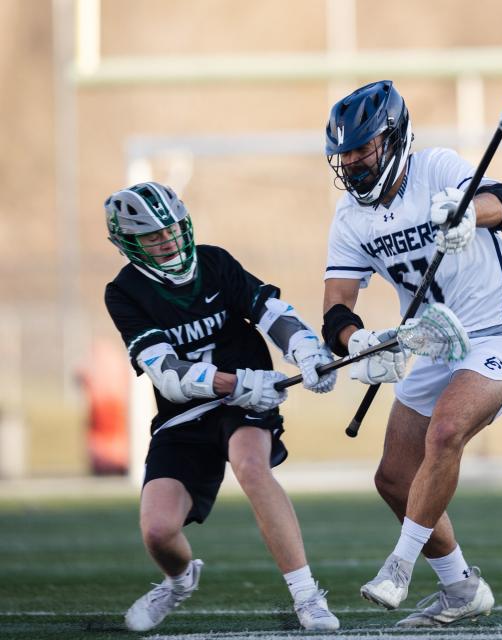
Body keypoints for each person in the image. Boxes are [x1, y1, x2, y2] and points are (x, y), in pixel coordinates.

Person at [320, 80, 502, 627]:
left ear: (393, 138)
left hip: (501, 332)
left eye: (361, 149)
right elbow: (335, 310)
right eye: (344, 153)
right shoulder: (350, 219)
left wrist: (469, 214)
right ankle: (460, 589)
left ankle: (399, 567)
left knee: (445, 432)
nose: (351, 162)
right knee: (393, 478)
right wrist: (362, 343)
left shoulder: (437, 169)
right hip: (435, 343)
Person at [103, 182, 340, 632]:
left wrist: (306, 349)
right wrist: (234, 383)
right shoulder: (125, 292)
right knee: (157, 531)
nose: (168, 241)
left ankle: (307, 597)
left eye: (172, 229)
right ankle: (178, 582)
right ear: (129, 246)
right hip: (188, 412)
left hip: (246, 405)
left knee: (251, 466)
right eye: (153, 236)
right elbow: (168, 374)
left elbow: (269, 309)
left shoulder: (214, 262)